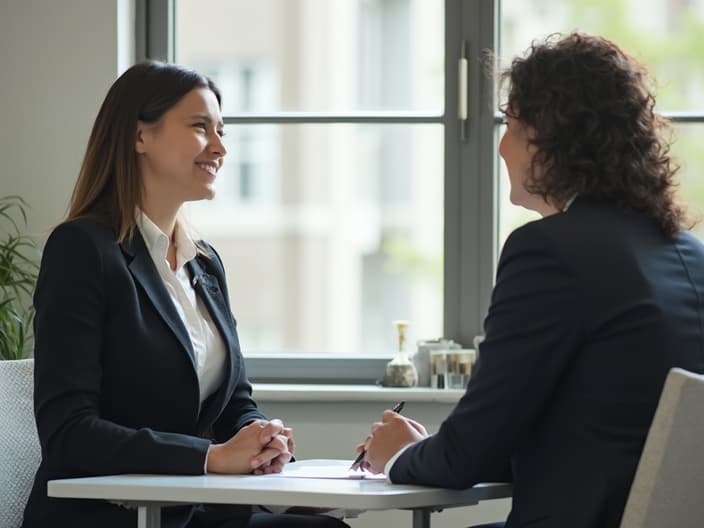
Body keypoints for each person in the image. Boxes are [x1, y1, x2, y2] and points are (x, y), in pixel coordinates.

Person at [357, 33, 704, 528]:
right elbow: (591, 433)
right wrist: (430, 447)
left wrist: (395, 456)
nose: (500, 145)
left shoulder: (551, 251)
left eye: (510, 124)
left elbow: (464, 460)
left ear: (551, 135)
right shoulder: (691, 254)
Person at [22, 61, 348, 528]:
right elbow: (69, 431)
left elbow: (234, 402)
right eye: (200, 128)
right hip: (106, 515)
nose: (219, 147)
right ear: (139, 137)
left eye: (222, 130)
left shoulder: (204, 262)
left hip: (191, 511)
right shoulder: (82, 250)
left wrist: (263, 447)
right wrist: (211, 457)